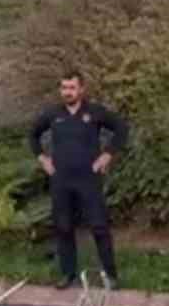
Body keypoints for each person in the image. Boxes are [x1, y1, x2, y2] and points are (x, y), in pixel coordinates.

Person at [30, 71, 128, 290]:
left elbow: (121, 129)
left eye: (72, 88)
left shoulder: (94, 112)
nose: (67, 92)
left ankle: (111, 276)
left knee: (99, 226)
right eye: (64, 88)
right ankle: (68, 275)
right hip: (61, 181)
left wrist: (107, 155)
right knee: (63, 227)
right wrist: (43, 159)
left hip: (88, 179)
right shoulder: (53, 114)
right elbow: (32, 135)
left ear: (81, 89)